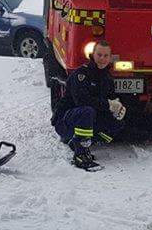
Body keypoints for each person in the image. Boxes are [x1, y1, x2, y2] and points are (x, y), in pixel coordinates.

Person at [51, 41, 126, 170]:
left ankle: (80, 142)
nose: (102, 59)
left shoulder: (107, 78)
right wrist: (108, 104)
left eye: (105, 56)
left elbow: (111, 99)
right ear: (93, 55)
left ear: (110, 57)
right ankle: (80, 155)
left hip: (85, 120)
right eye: (99, 55)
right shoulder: (81, 74)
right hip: (65, 122)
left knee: (117, 122)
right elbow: (82, 101)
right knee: (87, 111)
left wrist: (118, 108)